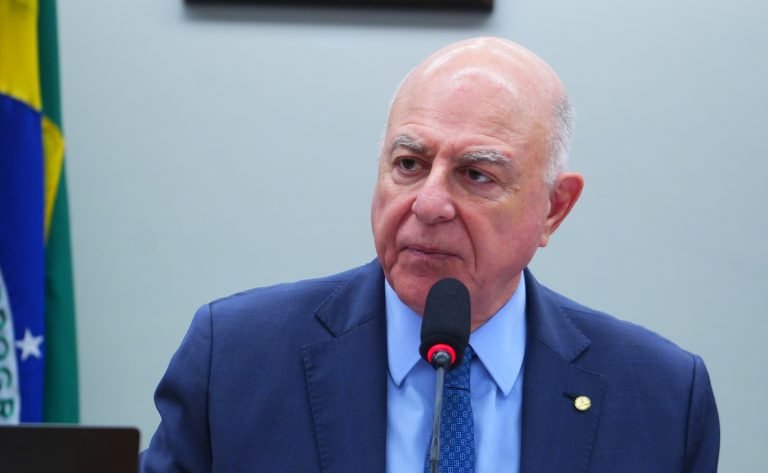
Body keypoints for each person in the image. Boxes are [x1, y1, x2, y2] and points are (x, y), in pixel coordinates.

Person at [140, 37, 719, 472]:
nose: (429, 203)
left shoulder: (662, 397)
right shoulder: (236, 358)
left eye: (476, 174)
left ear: (553, 209)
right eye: (409, 164)